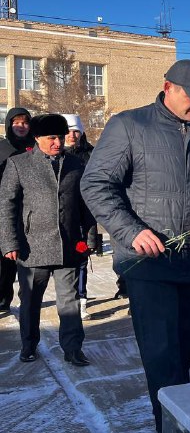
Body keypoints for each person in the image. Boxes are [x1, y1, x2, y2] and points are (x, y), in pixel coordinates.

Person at [80, 59, 190, 433]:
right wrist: (132, 231)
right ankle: (169, 430)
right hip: (147, 263)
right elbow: (96, 184)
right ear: (168, 87)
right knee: (162, 356)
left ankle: (177, 423)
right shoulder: (129, 125)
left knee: (183, 350)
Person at [0, 114, 95, 366]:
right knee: (31, 301)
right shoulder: (19, 164)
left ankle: (73, 348)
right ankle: (29, 344)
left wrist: (90, 236)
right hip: (33, 247)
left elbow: (85, 204)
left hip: (68, 245)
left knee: (70, 301)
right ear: (37, 138)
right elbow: (6, 205)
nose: (58, 142)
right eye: (52, 138)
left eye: (61, 137)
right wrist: (9, 242)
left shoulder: (75, 164)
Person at [62, 114, 99, 321]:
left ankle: (81, 300)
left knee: (81, 257)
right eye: (68, 131)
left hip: (83, 213)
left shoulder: (91, 154)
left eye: (76, 131)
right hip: (60, 214)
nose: (72, 135)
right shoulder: (54, 153)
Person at [0, 108, 34, 311]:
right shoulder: (2, 148)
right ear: (9, 124)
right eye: (16, 123)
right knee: (4, 261)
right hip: (5, 211)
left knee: (26, 260)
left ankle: (27, 299)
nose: (21, 126)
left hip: (30, 210)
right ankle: (3, 298)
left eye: (25, 122)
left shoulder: (35, 147)